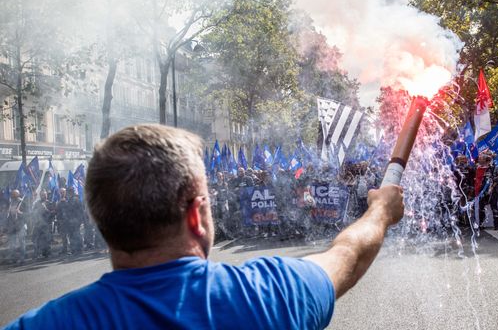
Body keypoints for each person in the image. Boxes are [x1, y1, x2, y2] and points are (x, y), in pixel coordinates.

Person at [6, 124, 404, 330]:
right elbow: (348, 255)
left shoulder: (43, 325)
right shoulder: (267, 296)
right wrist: (381, 210)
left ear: (100, 218)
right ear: (196, 215)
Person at [5, 190, 26, 264]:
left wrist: (20, 213)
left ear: (18, 194)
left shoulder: (22, 202)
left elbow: (28, 213)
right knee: (12, 243)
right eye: (12, 194)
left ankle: (22, 258)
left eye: (14, 194)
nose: (13, 196)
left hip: (20, 225)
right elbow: (8, 215)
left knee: (21, 243)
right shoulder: (11, 202)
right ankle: (13, 258)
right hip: (12, 226)